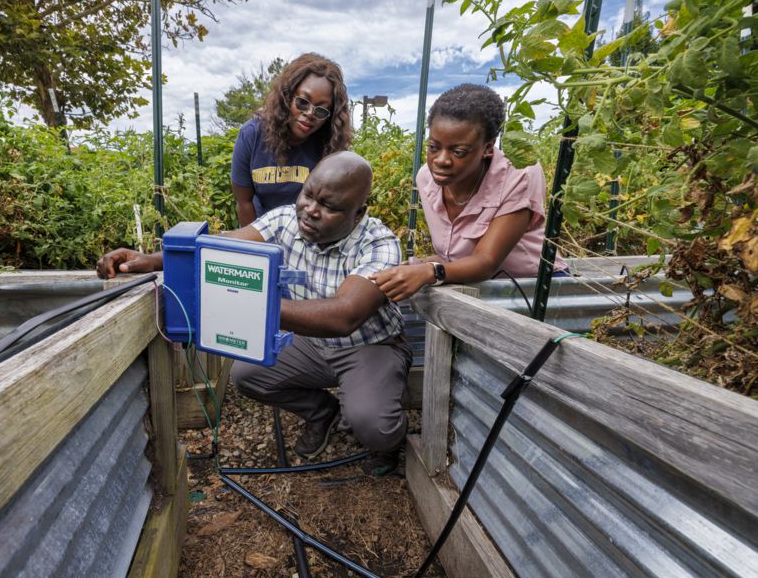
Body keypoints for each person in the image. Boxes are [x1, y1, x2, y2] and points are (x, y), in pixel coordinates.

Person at [97, 152, 411, 476]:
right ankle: (322, 412)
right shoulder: (285, 220)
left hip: (370, 346)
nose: (310, 210)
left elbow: (344, 316)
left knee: (372, 423)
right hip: (309, 344)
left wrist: (251, 306)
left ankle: (389, 444)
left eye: (329, 207)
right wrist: (152, 259)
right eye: (308, 194)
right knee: (247, 375)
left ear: (358, 213)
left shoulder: (378, 244)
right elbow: (223, 244)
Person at [370, 84, 568, 301]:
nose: (441, 160)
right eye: (433, 147)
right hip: (471, 286)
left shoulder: (519, 175)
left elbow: (486, 261)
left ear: (488, 148)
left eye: (459, 152)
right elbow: (455, 253)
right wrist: (418, 267)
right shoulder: (426, 178)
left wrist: (429, 271)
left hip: (533, 289)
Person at [231, 53, 352, 227]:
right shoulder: (252, 135)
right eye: (302, 102)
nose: (310, 114)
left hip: (309, 234)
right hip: (260, 232)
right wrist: (254, 250)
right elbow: (244, 203)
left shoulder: (329, 145)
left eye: (321, 111)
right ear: (287, 97)